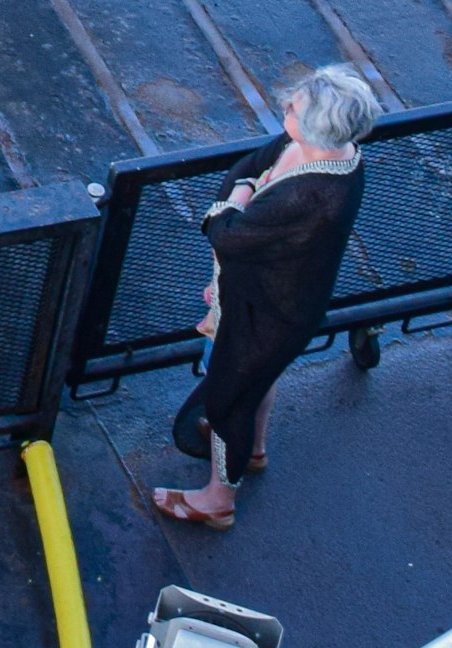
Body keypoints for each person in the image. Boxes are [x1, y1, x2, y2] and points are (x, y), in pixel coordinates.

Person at [148, 62, 377, 532]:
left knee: (228, 398)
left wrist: (239, 196)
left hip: (266, 313)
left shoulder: (311, 196)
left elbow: (223, 229)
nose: (286, 103)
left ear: (315, 125)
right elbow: (247, 170)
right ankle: (252, 449)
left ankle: (218, 501)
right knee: (256, 380)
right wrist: (244, 192)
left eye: (295, 104)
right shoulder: (334, 151)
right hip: (279, 301)